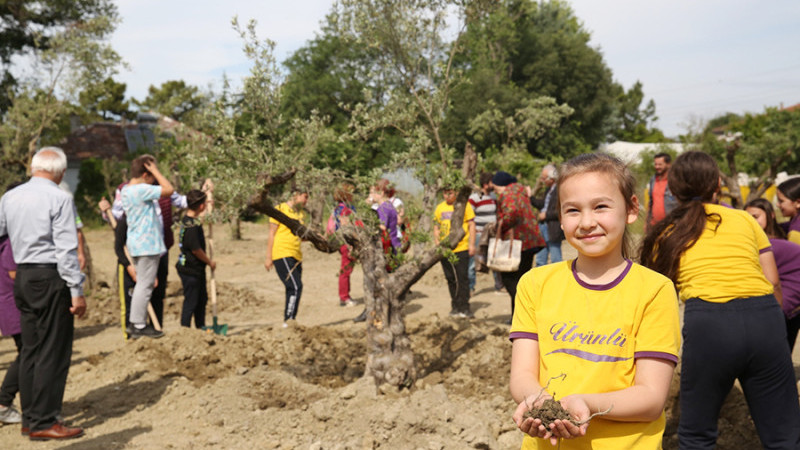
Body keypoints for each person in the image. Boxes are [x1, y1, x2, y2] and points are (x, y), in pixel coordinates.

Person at [510, 153, 680, 449]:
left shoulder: (654, 290)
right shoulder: (535, 284)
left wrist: (586, 402)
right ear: (560, 218)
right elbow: (523, 374)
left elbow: (651, 398)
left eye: (600, 206)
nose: (587, 222)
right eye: (573, 210)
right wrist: (536, 400)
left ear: (630, 209)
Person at [641, 151, 800, 449]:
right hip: (764, 315)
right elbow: (773, 280)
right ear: (717, 184)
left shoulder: (666, 233)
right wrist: (774, 328)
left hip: (709, 324)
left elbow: (657, 294)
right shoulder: (744, 219)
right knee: (784, 436)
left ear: (673, 190)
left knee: (697, 435)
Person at [0, 147, 86, 440]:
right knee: (53, 349)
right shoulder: (60, 197)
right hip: (50, 276)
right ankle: (46, 421)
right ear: (60, 171)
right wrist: (76, 289)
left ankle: (30, 417)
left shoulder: (9, 197)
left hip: (23, 275)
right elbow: (65, 248)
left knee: (31, 350)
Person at [120, 155, 174, 339]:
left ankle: (136, 322)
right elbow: (169, 190)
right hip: (147, 245)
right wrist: (156, 172)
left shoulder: (126, 190)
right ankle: (139, 324)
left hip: (136, 243)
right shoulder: (141, 189)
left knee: (142, 284)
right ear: (145, 174)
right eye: (151, 175)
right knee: (145, 285)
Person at [745, 198, 800, 351]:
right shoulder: (752, 242)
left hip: (788, 300)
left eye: (756, 217)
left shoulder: (783, 236)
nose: (751, 221)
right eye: (747, 217)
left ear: (770, 215)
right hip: (778, 301)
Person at [491, 171, 544, 322]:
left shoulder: (508, 194)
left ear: (502, 185)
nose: (495, 192)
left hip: (518, 243)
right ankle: (519, 317)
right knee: (522, 279)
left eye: (496, 189)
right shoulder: (521, 192)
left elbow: (511, 213)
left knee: (510, 280)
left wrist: (499, 225)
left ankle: (522, 315)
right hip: (530, 242)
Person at [265, 188, 309, 327]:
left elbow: (300, 237)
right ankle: (289, 321)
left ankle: (289, 319)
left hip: (296, 255)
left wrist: (316, 238)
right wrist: (268, 257)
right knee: (296, 286)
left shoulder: (300, 214)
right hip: (282, 253)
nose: (306, 201)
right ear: (295, 195)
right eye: (305, 197)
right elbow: (272, 233)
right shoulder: (280, 209)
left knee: (292, 288)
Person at [0, 182, 24, 425]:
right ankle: (4, 402)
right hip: (14, 306)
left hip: (9, 305)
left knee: (27, 352)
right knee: (28, 352)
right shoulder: (10, 242)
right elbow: (16, 275)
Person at [433, 187, 476, 318]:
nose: (447, 195)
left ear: (456, 192)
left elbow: (472, 225)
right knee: (451, 278)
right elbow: (436, 227)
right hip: (445, 249)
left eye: (450, 192)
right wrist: (437, 243)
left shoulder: (465, 206)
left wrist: (472, 244)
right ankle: (455, 306)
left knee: (462, 278)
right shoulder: (440, 208)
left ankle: (465, 307)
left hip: (461, 248)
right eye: (445, 193)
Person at [176, 189, 216, 328]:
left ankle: (200, 328)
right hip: (190, 269)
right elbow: (196, 250)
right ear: (200, 206)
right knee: (191, 302)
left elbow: (201, 218)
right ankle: (185, 330)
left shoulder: (189, 220)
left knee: (201, 300)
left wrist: (208, 203)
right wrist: (209, 262)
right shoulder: (192, 226)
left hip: (195, 269)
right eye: (204, 203)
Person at [468, 172, 498, 293]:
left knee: (495, 260)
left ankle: (498, 285)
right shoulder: (474, 198)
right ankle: (470, 287)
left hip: (492, 234)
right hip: (479, 234)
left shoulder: (493, 197)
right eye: (491, 182)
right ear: (486, 184)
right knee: (473, 262)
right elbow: (470, 217)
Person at [530, 164, 563, 266]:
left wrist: (546, 215)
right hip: (543, 226)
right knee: (540, 258)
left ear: (551, 178)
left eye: (544, 178)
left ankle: (557, 280)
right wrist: (531, 197)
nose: (542, 180)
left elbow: (561, 211)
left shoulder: (560, 190)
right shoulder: (549, 190)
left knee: (555, 259)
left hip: (553, 227)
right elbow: (542, 204)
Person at [331, 184, 356, 307]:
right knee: (346, 269)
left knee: (347, 269)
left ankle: (346, 295)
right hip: (347, 242)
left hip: (344, 242)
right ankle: (344, 297)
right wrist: (350, 245)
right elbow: (346, 226)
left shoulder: (338, 208)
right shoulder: (345, 209)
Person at [645, 152, 677, 227]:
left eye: (660, 164)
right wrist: (647, 222)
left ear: (668, 164)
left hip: (671, 224)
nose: (657, 167)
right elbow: (651, 202)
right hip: (654, 225)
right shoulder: (653, 179)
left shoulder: (675, 180)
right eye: (655, 164)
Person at [777, 177, 800, 245]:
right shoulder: (795, 220)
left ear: (798, 203)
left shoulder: (795, 232)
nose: (777, 204)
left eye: (781, 201)